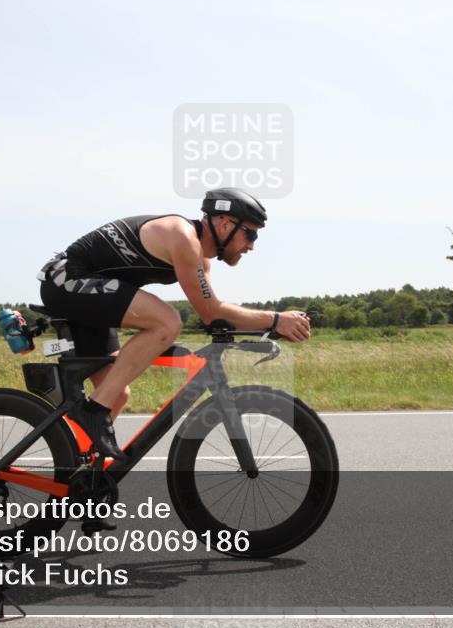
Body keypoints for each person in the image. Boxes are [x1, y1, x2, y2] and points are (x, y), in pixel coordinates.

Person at [37, 187, 312, 460]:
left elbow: (213, 315)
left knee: (117, 393)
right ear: (225, 223)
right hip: (66, 279)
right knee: (167, 322)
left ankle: (78, 470)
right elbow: (212, 311)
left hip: (90, 293)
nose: (251, 246)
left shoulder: (200, 258)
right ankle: (94, 411)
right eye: (250, 234)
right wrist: (276, 320)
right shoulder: (182, 237)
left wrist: (271, 327)